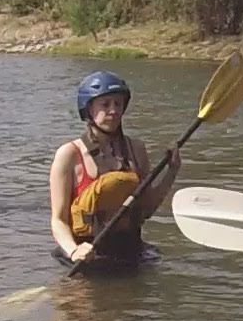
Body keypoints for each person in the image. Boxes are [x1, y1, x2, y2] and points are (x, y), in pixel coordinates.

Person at [49, 70, 181, 268]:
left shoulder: (136, 149)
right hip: (86, 255)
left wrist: (172, 171)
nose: (113, 110)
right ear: (89, 108)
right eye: (105, 104)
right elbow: (58, 221)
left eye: (118, 104)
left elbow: (147, 209)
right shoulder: (69, 154)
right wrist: (74, 251)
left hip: (130, 252)